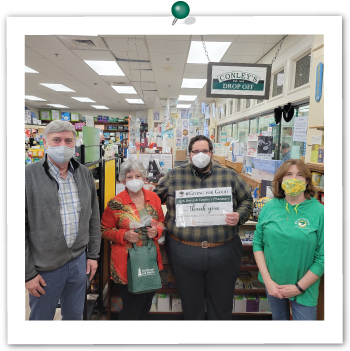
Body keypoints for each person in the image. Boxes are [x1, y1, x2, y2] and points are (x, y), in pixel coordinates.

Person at [153, 135, 253, 320]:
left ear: (212, 153)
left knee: (222, 308)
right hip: (184, 251)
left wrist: (240, 215)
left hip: (223, 252)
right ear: (189, 154)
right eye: (196, 151)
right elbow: (153, 200)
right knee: (191, 308)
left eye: (205, 151)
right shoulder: (174, 175)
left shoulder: (228, 175)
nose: (200, 155)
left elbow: (247, 199)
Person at [25, 120, 101, 320]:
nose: (63, 146)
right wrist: (27, 274)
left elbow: (93, 218)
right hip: (45, 267)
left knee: (75, 317)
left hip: (78, 262)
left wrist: (93, 255)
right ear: (45, 142)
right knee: (41, 320)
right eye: (56, 140)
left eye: (68, 141)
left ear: (75, 144)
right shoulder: (27, 176)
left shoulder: (84, 174)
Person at [253, 159, 324, 320]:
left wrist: (298, 288)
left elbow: (323, 257)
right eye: (288, 174)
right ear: (280, 180)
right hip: (273, 285)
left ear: (307, 181)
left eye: (300, 175)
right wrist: (268, 281)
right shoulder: (269, 207)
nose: (294, 179)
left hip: (305, 288)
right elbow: (258, 244)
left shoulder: (320, 212)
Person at [101, 158, 164, 320]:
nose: (134, 180)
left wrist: (156, 231)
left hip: (150, 257)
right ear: (123, 180)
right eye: (129, 177)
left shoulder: (154, 198)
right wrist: (123, 235)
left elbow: (161, 222)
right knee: (133, 305)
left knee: (146, 302)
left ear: (144, 178)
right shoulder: (116, 203)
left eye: (137, 176)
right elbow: (104, 230)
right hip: (126, 262)